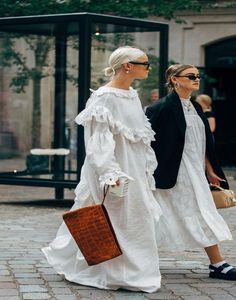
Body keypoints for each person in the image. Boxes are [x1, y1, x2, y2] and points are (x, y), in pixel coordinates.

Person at [42, 46, 163, 292]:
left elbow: (139, 137)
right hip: (113, 169)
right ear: (127, 65)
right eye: (144, 63)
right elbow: (98, 140)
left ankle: (134, 271)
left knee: (135, 219)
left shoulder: (132, 94)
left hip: (134, 168)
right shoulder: (104, 96)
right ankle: (111, 270)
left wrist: (146, 167)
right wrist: (110, 172)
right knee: (109, 218)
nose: (148, 68)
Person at [146, 64, 236, 281]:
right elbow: (147, 143)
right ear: (175, 80)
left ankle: (218, 264)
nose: (196, 79)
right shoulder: (160, 108)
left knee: (199, 211)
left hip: (194, 171)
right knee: (158, 217)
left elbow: (202, 142)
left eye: (198, 76)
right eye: (191, 76)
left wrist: (209, 170)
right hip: (171, 173)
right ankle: (218, 263)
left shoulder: (195, 107)